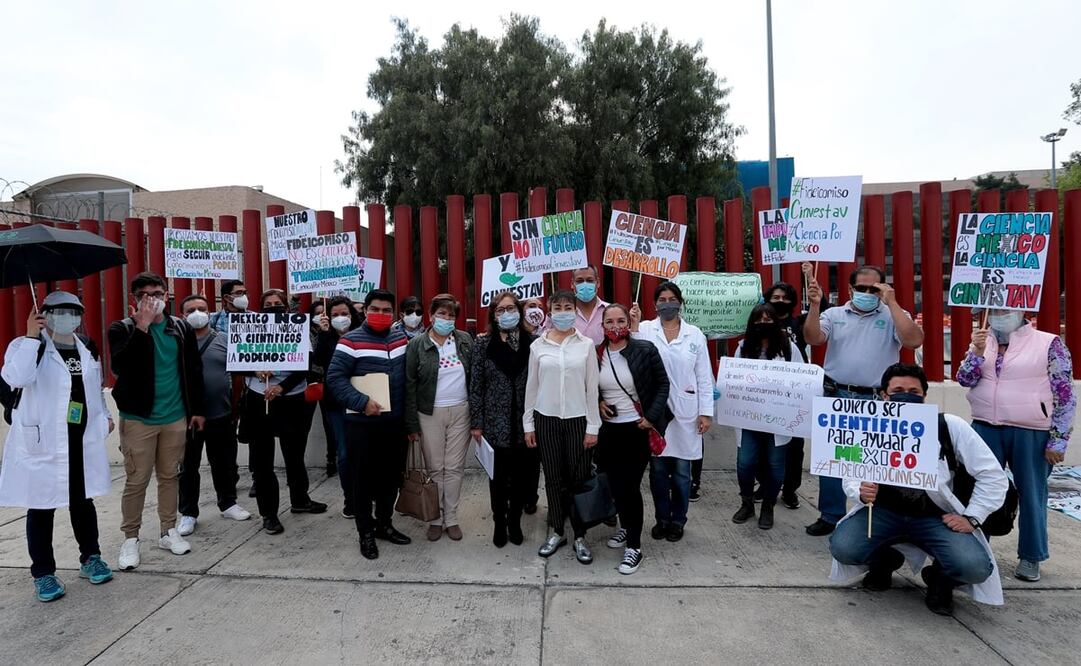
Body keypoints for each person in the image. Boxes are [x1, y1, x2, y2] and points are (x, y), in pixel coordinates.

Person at [829, 363, 1008, 616]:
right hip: (882, 513)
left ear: (924, 395)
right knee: (844, 547)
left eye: (914, 391)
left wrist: (972, 517)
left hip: (935, 518)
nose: (906, 395)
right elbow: (851, 469)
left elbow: (993, 475)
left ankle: (940, 580)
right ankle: (883, 561)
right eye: (898, 390)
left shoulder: (949, 426)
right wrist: (859, 491)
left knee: (975, 567)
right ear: (883, 395)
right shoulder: (867, 425)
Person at [0, 293, 114, 601]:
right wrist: (30, 337)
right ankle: (43, 573)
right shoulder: (26, 346)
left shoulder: (85, 346)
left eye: (74, 311)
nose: (68, 317)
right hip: (46, 441)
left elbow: (94, 387)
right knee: (41, 506)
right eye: (60, 312)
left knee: (82, 502)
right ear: (44, 314)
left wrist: (104, 416)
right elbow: (16, 377)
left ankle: (91, 558)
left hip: (80, 439)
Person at [802, 264, 924, 536]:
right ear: (850, 289)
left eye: (874, 289)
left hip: (876, 399)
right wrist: (814, 306)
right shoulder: (834, 314)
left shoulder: (894, 314)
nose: (867, 293)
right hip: (838, 394)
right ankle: (831, 514)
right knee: (834, 459)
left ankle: (874, 514)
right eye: (861, 288)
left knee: (873, 460)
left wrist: (891, 303)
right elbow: (813, 337)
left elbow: (914, 340)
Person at [956, 309, 1076, 582]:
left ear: (1023, 311)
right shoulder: (982, 341)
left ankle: (1031, 555)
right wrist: (975, 351)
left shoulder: (1048, 343)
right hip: (986, 426)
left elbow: (1065, 394)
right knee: (975, 489)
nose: (999, 315)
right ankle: (977, 549)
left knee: (1032, 494)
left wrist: (1059, 439)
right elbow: (965, 379)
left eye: (1006, 310)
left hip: (1031, 430)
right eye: (994, 310)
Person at [108, 272, 205, 570]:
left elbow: (192, 370)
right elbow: (121, 367)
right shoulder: (121, 329)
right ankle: (130, 538)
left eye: (158, 293)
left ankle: (168, 530)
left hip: (175, 416)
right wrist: (142, 326)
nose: (154, 299)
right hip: (139, 418)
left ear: (167, 294)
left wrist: (196, 409)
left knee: (169, 476)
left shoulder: (180, 328)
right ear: (134, 299)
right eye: (146, 295)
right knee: (137, 480)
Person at [326, 289, 412, 560]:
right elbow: (335, 378)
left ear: (393, 314)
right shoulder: (350, 341)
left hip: (394, 423)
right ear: (364, 310)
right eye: (375, 309)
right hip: (361, 424)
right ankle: (365, 532)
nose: (381, 315)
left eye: (387, 310)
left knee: (391, 478)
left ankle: (384, 523)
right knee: (362, 481)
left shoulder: (401, 339)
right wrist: (362, 401)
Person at [239, 289, 327, 536]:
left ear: (286, 307)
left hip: (292, 399)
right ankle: (269, 514)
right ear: (260, 308)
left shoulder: (298, 330)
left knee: (295, 454)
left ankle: (300, 499)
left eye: (278, 303)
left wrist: (281, 386)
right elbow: (236, 363)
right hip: (259, 399)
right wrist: (254, 371)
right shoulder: (249, 330)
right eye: (268, 304)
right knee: (263, 459)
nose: (274, 307)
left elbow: (305, 366)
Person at [630, 282, 713, 542]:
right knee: (657, 471)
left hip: (686, 413)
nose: (668, 303)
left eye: (672, 298)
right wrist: (633, 326)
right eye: (662, 299)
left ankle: (678, 520)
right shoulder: (644, 329)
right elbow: (632, 360)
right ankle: (662, 519)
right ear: (655, 304)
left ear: (680, 302)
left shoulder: (695, 335)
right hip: (657, 413)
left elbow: (703, 377)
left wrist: (706, 413)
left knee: (681, 473)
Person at [524, 289, 601, 563]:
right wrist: (528, 424)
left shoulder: (586, 345)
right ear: (550, 311)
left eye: (568, 307)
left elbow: (592, 389)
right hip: (546, 419)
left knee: (579, 478)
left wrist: (593, 426)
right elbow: (531, 387)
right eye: (558, 308)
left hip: (579, 420)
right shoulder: (538, 346)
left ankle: (580, 534)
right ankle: (558, 530)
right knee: (554, 477)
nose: (563, 312)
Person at [596, 303, 670, 575]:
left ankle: (635, 548)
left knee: (629, 486)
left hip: (637, 428)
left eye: (620, 320)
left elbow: (663, 384)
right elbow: (591, 386)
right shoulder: (597, 353)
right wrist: (599, 401)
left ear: (629, 322)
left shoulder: (644, 349)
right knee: (615, 486)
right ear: (602, 326)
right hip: (609, 430)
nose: (615, 326)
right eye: (609, 322)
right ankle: (626, 527)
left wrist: (651, 416)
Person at [177, 296, 251, 537]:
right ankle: (188, 512)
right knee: (188, 466)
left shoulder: (224, 340)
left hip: (222, 413)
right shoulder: (176, 343)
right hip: (186, 417)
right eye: (191, 310)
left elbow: (238, 375)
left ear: (210, 312)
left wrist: (236, 405)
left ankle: (228, 503)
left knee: (224, 462)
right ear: (182, 315)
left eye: (202, 309)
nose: (197, 313)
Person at [470, 292, 537, 548]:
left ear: (519, 312)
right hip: (493, 421)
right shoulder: (482, 344)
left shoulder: (532, 342)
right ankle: (499, 521)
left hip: (524, 423)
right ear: (493, 315)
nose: (506, 313)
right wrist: (476, 422)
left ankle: (515, 521)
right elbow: (476, 385)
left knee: (520, 477)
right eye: (500, 310)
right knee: (497, 478)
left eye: (511, 308)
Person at [405, 293, 474, 542]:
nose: (447, 319)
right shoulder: (416, 344)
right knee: (435, 468)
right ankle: (436, 518)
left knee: (454, 468)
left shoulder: (465, 340)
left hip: (461, 411)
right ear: (431, 316)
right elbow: (410, 385)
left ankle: (452, 518)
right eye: (442, 314)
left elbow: (475, 378)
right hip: (429, 413)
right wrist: (411, 423)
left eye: (451, 315)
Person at [731, 303, 805, 530]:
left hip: (778, 422)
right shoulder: (742, 347)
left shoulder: (789, 349)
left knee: (775, 466)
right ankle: (747, 502)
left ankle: (768, 506)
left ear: (776, 322)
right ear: (752, 324)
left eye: (768, 320)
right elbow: (733, 379)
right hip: (748, 420)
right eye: (759, 320)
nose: (764, 324)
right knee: (745, 464)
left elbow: (802, 380)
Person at [754, 281, 813, 509]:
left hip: (793, 396)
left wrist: (809, 279)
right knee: (762, 445)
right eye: (775, 297)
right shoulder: (760, 322)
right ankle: (765, 485)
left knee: (793, 448)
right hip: (763, 397)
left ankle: (789, 489)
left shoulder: (799, 323)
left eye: (784, 297)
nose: (780, 301)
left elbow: (821, 317)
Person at [311, 296, 363, 518]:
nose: (340, 318)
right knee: (344, 453)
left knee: (364, 452)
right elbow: (321, 361)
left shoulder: (364, 334)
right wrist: (323, 334)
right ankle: (349, 499)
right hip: (336, 403)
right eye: (335, 315)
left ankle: (364, 494)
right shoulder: (326, 337)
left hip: (363, 400)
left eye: (345, 314)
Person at [307, 299, 338, 477]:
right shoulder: (306, 333)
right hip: (310, 381)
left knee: (331, 425)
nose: (321, 315)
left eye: (324, 312)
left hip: (328, 381)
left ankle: (331, 458)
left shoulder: (333, 333)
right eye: (317, 313)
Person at [571, 266, 607, 345]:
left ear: (597, 283)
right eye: (579, 281)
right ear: (572, 284)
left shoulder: (609, 310)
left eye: (589, 280)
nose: (585, 284)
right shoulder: (564, 314)